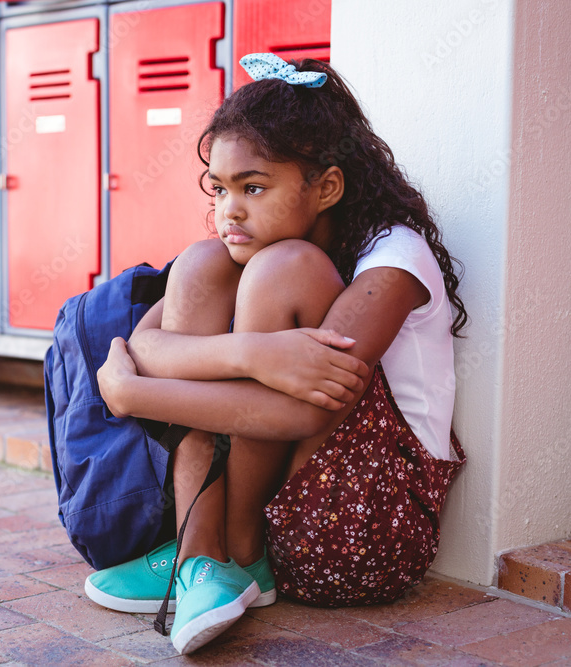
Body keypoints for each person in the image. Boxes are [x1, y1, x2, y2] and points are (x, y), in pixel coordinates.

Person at [86, 52, 468, 655]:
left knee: (281, 270)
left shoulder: (394, 259)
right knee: (202, 261)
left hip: (360, 525)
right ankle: (200, 556)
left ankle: (235, 553)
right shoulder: (247, 243)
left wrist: (131, 392)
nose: (229, 209)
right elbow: (147, 345)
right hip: (287, 505)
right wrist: (256, 354)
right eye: (220, 188)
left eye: (253, 188)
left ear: (328, 187)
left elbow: (308, 412)